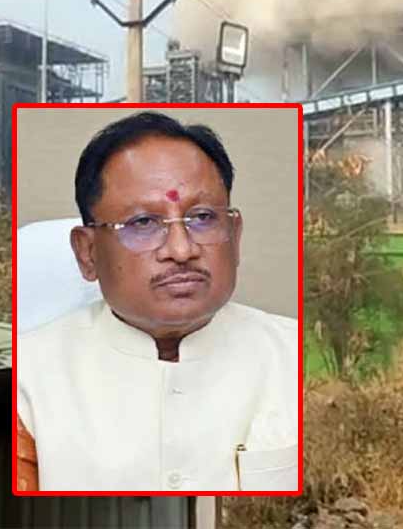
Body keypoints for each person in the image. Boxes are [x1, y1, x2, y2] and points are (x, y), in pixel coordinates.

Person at [17, 112, 298, 491]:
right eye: (143, 223)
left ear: (235, 235)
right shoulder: (27, 380)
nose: (181, 250)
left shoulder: (293, 358)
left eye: (202, 217)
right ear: (87, 252)